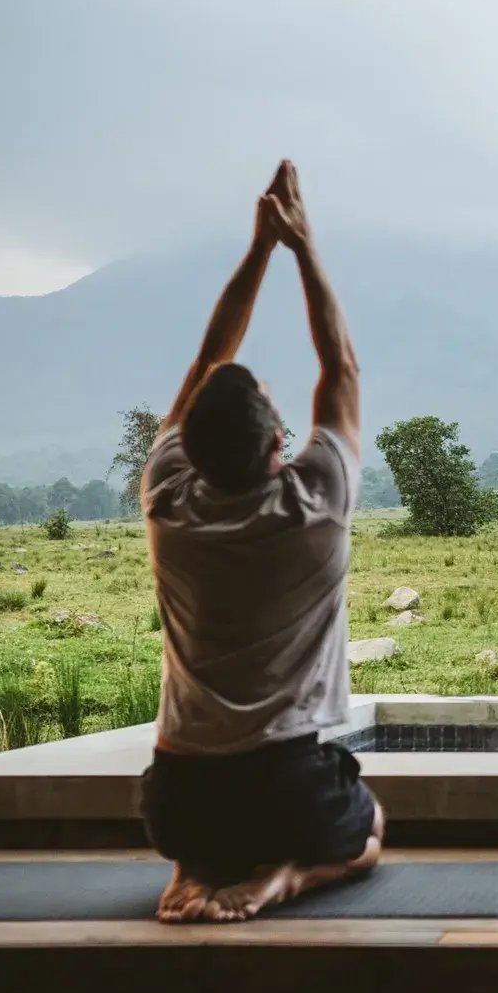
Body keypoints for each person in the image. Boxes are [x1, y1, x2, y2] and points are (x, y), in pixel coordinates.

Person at [139, 160, 382, 923]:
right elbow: (339, 366)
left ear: (193, 449)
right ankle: (289, 876)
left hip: (176, 797)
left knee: (207, 816)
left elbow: (205, 364)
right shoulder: (316, 500)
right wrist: (301, 244)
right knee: (370, 835)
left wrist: (256, 251)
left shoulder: (167, 498)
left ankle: (190, 871)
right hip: (286, 787)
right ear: (280, 444)